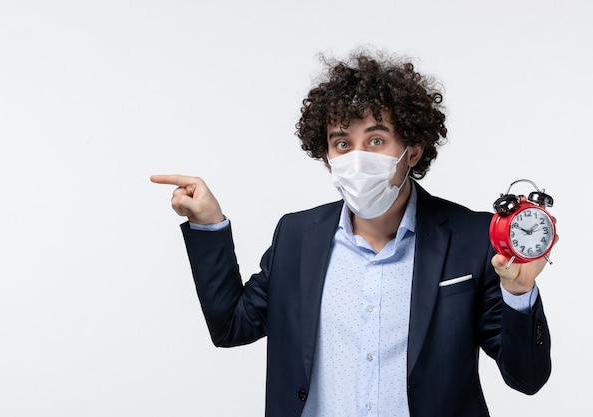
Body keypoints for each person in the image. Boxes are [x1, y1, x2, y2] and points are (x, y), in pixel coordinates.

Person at [150, 49, 553, 417]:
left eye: (376, 140)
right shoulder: (296, 237)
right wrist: (208, 225)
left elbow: (527, 378)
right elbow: (231, 327)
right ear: (327, 159)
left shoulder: (471, 237)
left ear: (411, 151)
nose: (357, 157)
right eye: (342, 143)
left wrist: (519, 296)